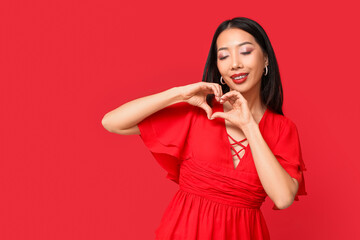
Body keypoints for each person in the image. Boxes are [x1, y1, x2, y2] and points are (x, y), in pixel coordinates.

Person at [102, 17, 307, 240]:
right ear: (217, 65)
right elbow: (112, 122)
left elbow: (283, 198)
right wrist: (178, 94)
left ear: (266, 58)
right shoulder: (199, 111)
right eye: (224, 55)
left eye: (245, 51)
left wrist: (249, 126)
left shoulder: (282, 129)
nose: (235, 63)